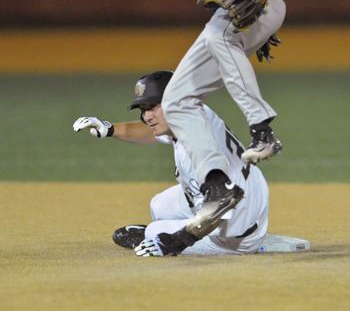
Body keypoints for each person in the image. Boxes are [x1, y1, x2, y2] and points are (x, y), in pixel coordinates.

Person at [73, 0, 286, 234]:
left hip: (258, 1)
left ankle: (262, 130)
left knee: (220, 34)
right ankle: (217, 186)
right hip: (224, 17)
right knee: (176, 100)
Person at [73, 71, 309, 257]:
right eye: (144, 109)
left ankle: (246, 243)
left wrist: (175, 241)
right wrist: (110, 129)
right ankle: (174, 227)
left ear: (173, 101)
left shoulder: (198, 151)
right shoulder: (191, 114)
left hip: (232, 231)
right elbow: (151, 132)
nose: (147, 116)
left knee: (155, 233)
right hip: (247, 195)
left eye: (153, 106)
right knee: (159, 205)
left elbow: (219, 212)